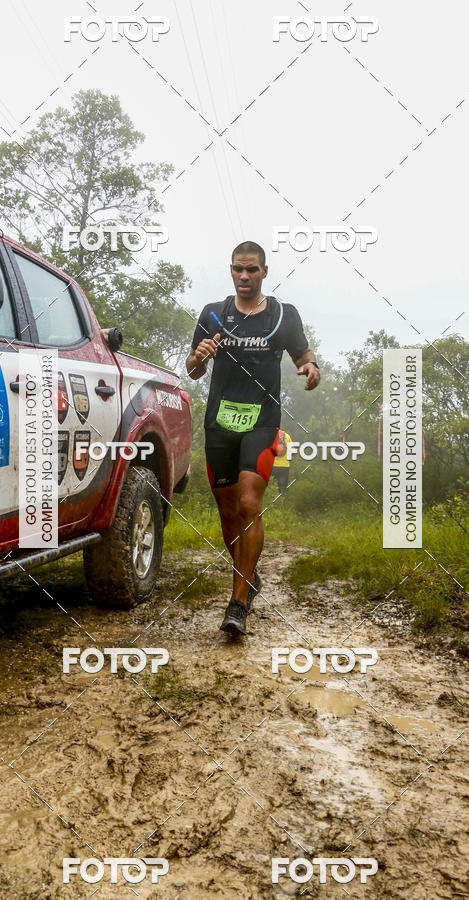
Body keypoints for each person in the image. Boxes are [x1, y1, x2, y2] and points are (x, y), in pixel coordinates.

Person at [186, 240, 321, 636]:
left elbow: (303, 356)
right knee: (228, 513)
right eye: (237, 270)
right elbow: (192, 370)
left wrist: (311, 370)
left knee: (249, 503)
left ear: (264, 272)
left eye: (251, 270)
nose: (244, 277)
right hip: (219, 424)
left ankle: (238, 602)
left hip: (262, 421)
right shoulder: (213, 314)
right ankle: (248, 575)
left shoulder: (282, 315)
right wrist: (200, 356)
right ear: (231, 271)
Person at [272, 428, 292, 496]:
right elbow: (292, 450)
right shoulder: (287, 436)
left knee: (273, 485)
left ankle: (273, 499)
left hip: (273, 466)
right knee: (283, 485)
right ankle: (283, 499)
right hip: (284, 466)